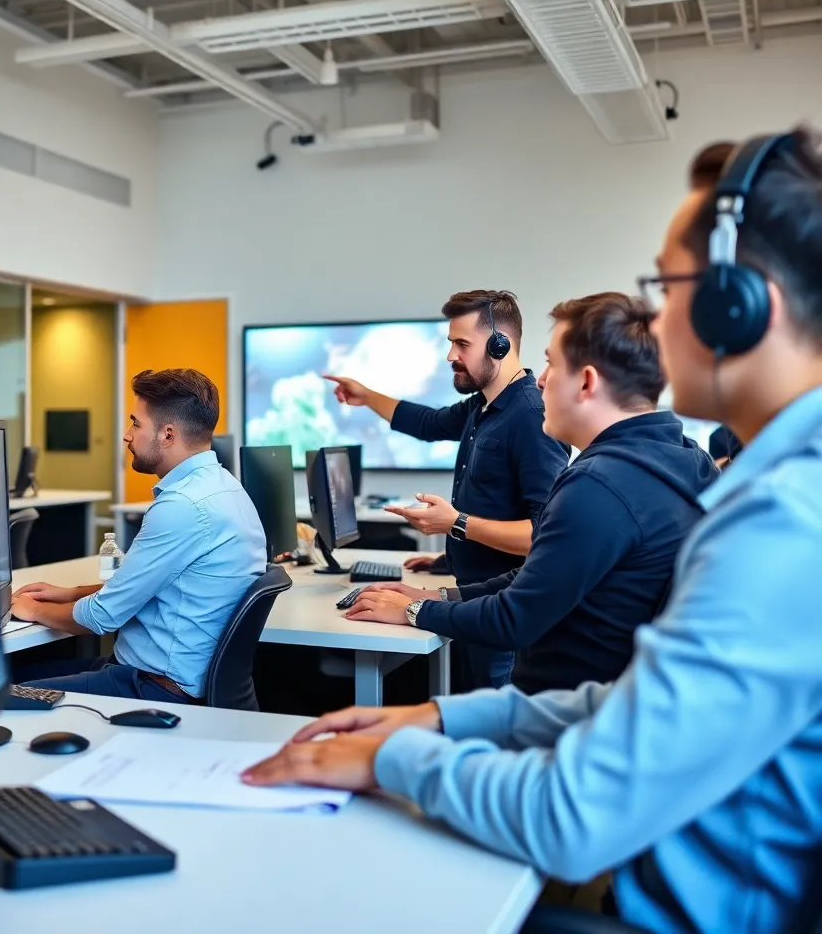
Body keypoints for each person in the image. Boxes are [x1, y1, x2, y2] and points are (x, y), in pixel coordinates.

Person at [242, 128, 822, 933]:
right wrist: (445, 718)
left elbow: (575, 815)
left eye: (671, 286)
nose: (657, 319)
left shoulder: (784, 521)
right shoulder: (757, 485)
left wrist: (391, 756)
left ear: (741, 300)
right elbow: (630, 705)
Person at [343, 292, 717, 693]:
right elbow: (545, 569)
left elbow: (514, 617)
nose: (539, 379)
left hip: (562, 714)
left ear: (587, 381)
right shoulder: (684, 458)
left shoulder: (597, 485)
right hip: (610, 703)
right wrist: (443, 594)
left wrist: (417, 608)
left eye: (551, 364)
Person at [325, 289, 569, 688]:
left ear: (499, 346)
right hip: (473, 597)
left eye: (462, 344)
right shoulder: (485, 405)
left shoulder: (529, 415)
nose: (450, 356)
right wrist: (366, 397)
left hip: (504, 615)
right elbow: (428, 423)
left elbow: (542, 537)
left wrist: (455, 524)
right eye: (450, 343)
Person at [10, 368, 266, 703]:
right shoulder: (227, 488)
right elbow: (147, 584)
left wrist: (32, 610)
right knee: (20, 676)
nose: (127, 435)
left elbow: (102, 617)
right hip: (156, 676)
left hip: (152, 690)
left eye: (135, 423)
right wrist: (69, 592)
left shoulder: (182, 505)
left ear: (168, 435)